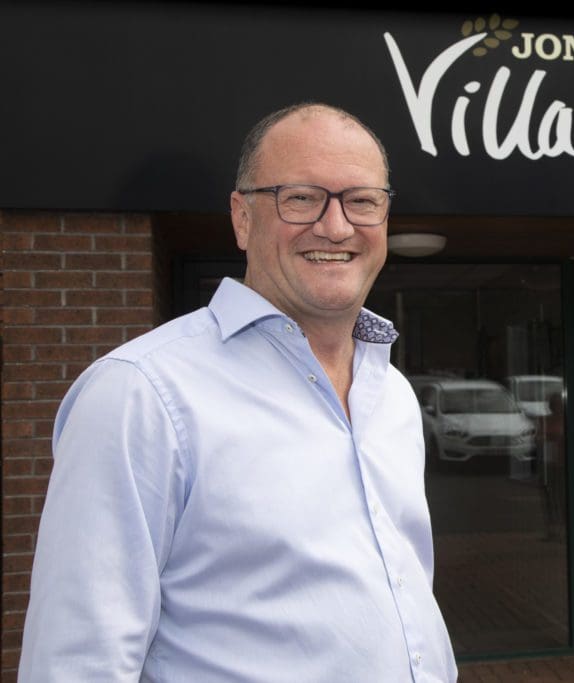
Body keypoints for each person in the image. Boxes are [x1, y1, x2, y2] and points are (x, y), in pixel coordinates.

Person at [19, 103, 458, 682]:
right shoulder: (140, 394)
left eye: (362, 200)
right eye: (300, 198)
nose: (336, 226)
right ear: (242, 218)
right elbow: (77, 662)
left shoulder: (392, 393)